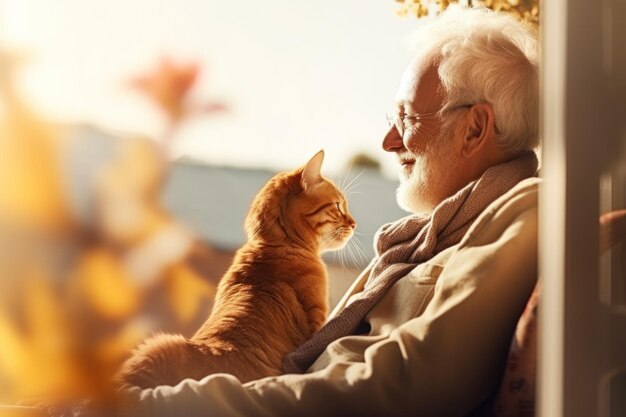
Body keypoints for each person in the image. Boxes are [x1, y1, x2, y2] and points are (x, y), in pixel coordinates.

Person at [47, 5, 543, 417]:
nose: (388, 141)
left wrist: (154, 407)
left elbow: (409, 382)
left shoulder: (521, 212)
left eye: (406, 119)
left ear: (475, 129)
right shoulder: (437, 235)